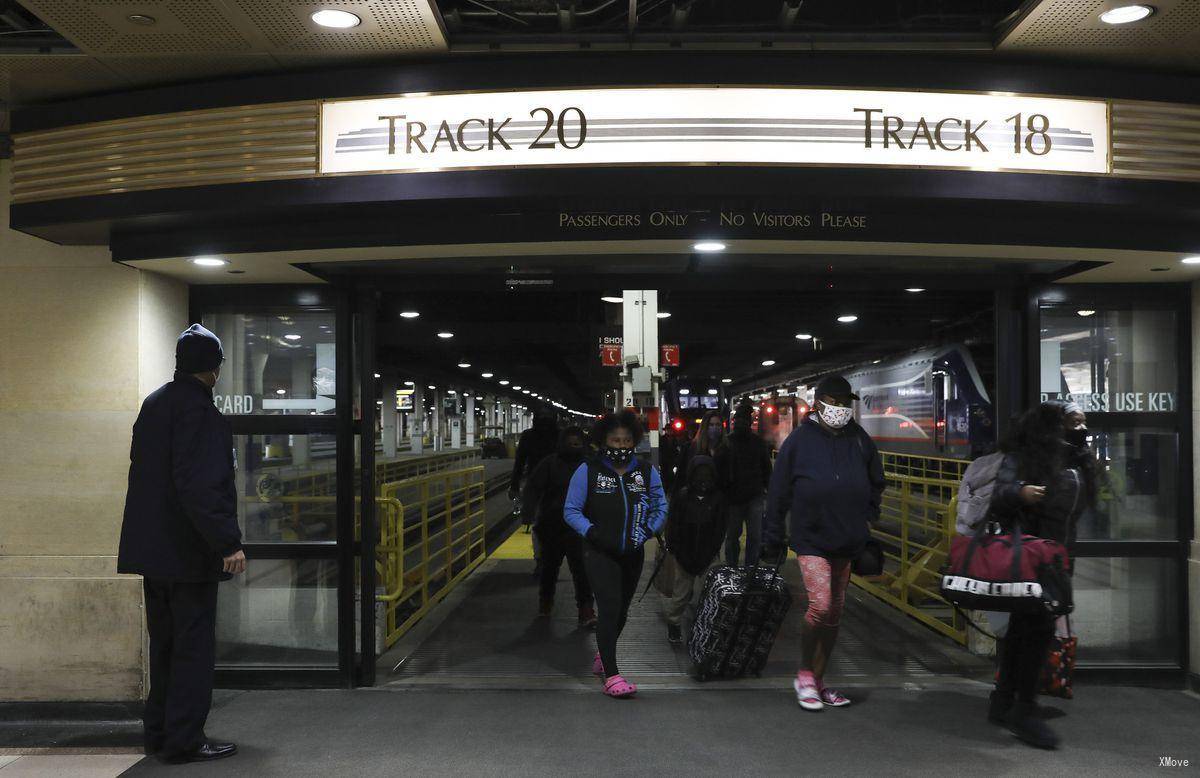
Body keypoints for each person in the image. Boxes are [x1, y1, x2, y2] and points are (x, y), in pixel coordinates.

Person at [117, 324, 245, 764]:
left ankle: (160, 732)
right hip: (188, 553)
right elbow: (201, 486)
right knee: (192, 649)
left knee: (165, 646)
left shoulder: (153, 405)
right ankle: (186, 739)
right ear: (213, 369)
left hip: (153, 554)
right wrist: (228, 543)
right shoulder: (202, 414)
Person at [762, 375, 884, 711]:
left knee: (835, 614)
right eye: (835, 401)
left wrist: (869, 511)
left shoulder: (859, 439)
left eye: (846, 402)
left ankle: (818, 679)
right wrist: (772, 536)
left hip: (846, 540)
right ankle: (804, 673)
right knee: (821, 606)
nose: (841, 408)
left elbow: (877, 478)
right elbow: (778, 492)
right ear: (818, 402)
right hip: (811, 538)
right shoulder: (800, 441)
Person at [986, 400, 1094, 749]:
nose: (1080, 429)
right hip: (1032, 557)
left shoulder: (1077, 459)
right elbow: (1000, 495)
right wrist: (1021, 492)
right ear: (1053, 427)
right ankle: (1025, 710)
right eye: (1073, 422)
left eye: (1083, 422)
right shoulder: (1026, 457)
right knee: (1039, 630)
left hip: (1058, 557)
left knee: (1023, 629)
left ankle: (1004, 701)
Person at [564, 410, 667, 698]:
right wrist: (592, 533)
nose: (621, 445)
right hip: (599, 552)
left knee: (621, 610)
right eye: (615, 440)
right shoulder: (588, 471)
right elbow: (571, 510)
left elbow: (661, 505)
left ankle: (603, 654)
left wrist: (647, 531)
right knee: (608, 609)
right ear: (602, 441)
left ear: (634, 441)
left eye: (626, 440)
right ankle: (612, 675)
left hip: (632, 552)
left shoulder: (646, 471)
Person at [522, 426, 597, 627]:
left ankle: (585, 610)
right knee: (549, 570)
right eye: (570, 443)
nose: (574, 447)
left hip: (579, 529)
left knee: (581, 572)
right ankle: (545, 604)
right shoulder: (550, 464)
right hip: (552, 526)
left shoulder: (589, 465)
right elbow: (533, 488)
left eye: (577, 443)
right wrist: (528, 513)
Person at [663, 455, 728, 643]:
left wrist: (713, 550)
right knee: (681, 594)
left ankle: (705, 625)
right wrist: (675, 547)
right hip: (684, 554)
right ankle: (674, 623)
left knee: (708, 593)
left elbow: (720, 527)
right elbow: (673, 524)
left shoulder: (718, 499)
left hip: (708, 554)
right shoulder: (683, 497)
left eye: (707, 476)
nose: (703, 480)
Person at [510, 412, 559, 576]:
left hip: (535, 486)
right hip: (558, 487)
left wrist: (514, 486)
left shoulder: (528, 436)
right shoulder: (559, 435)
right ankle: (550, 560)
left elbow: (519, 462)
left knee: (538, 525)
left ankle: (540, 561)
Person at [724, 405, 773, 566]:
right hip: (753, 495)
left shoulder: (728, 442)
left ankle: (732, 567)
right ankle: (750, 569)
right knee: (754, 536)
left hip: (736, 497)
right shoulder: (758, 443)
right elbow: (767, 469)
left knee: (733, 536)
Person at [674, 410, 732, 495]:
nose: (715, 428)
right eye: (711, 425)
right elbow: (681, 477)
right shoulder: (691, 448)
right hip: (696, 499)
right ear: (705, 427)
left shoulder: (727, 449)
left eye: (718, 425)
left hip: (720, 499)